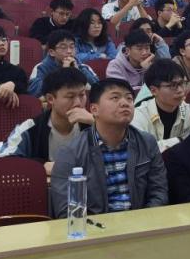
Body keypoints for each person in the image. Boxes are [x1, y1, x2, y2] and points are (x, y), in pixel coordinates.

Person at [50, 78, 168, 217]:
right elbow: (66, 210)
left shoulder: (147, 143)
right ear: (94, 109)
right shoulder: (71, 152)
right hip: (96, 227)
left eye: (129, 98)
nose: (125, 103)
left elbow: (159, 192)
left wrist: (145, 220)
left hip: (142, 223)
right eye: (115, 98)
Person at [0, 67, 94, 173]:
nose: (78, 103)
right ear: (50, 99)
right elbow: (3, 163)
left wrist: (96, 122)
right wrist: (41, 166)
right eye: (70, 97)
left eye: (82, 95)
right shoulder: (30, 128)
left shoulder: (92, 124)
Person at [130, 59, 190, 152]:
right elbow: (141, 149)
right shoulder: (139, 115)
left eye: (182, 83)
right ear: (153, 90)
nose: (180, 90)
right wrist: (179, 140)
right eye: (173, 85)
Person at [28, 29, 100, 97]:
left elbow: (98, 89)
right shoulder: (41, 67)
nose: (69, 51)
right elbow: (34, 91)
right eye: (63, 47)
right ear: (52, 52)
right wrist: (62, 73)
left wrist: (78, 72)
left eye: (72, 47)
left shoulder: (83, 67)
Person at [106, 29, 156, 94]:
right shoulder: (115, 65)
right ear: (128, 51)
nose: (144, 53)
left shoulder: (152, 65)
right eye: (139, 49)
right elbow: (121, 92)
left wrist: (149, 70)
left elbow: (157, 90)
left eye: (147, 48)